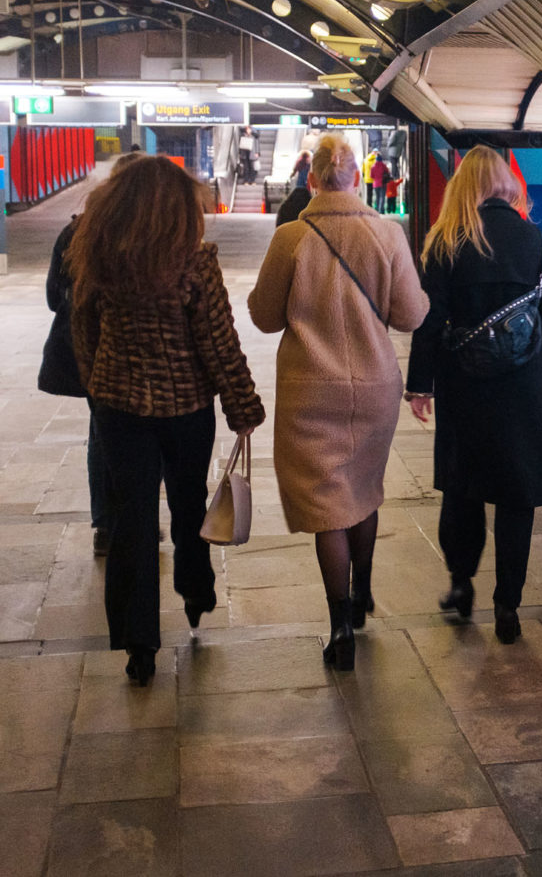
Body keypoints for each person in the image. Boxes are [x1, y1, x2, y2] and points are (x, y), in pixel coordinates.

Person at [68, 157, 265, 685]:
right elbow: (219, 343)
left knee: (130, 517)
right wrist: (243, 407)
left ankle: (139, 643)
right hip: (185, 411)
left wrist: (99, 382)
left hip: (118, 411)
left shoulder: (99, 256)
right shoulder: (194, 264)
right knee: (187, 503)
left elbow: (81, 329)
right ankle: (196, 592)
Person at [248, 135, 428, 671]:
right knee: (363, 491)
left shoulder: (291, 237)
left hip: (309, 390)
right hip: (374, 388)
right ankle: (364, 590)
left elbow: (264, 316)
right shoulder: (387, 233)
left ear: (313, 180)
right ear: (356, 178)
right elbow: (412, 315)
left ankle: (340, 626)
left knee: (328, 505)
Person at [405, 145, 542, 644]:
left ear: (465, 187)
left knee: (464, 488)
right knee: (516, 497)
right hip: (520, 391)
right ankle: (508, 604)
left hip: (464, 385)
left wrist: (420, 384)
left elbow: (430, 320)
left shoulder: (448, 242)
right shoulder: (533, 240)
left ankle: (460, 583)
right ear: (503, 183)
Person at [40, 151, 153, 557]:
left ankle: (105, 524)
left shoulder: (76, 232)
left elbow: (55, 298)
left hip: (91, 355)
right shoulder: (154, 233)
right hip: (143, 355)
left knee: (101, 434)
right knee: (145, 434)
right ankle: (143, 519)